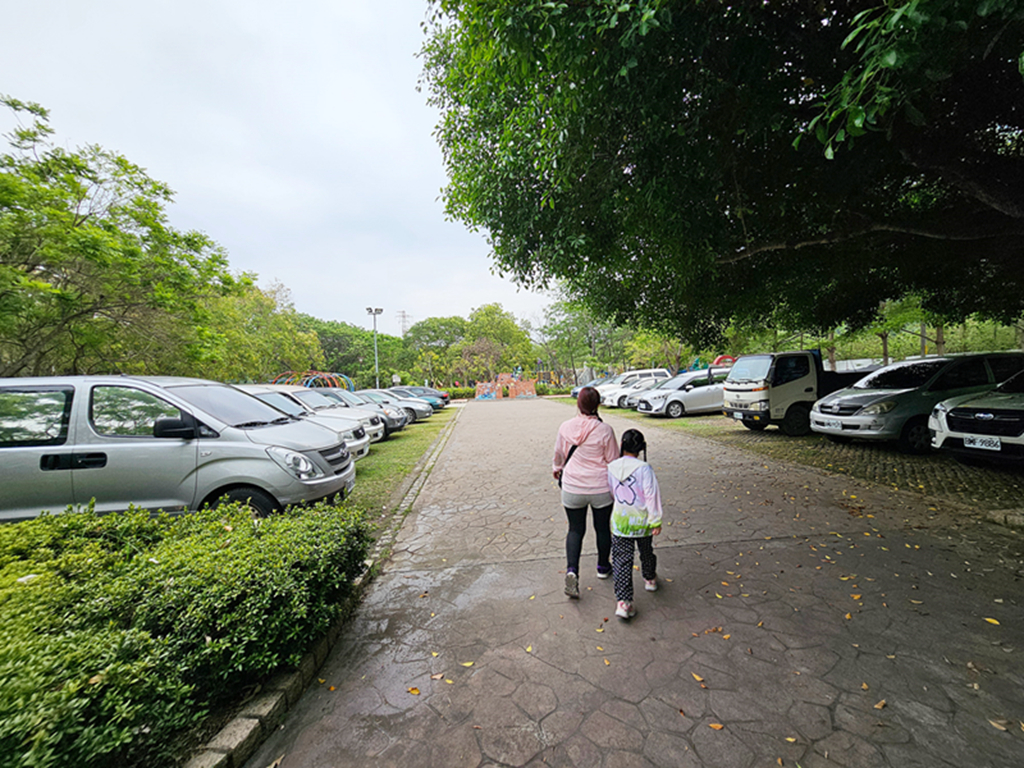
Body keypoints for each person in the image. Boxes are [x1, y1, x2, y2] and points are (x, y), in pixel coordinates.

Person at [552, 386, 619, 598]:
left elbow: (558, 455)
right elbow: (614, 461)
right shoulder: (605, 430)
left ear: (578, 404)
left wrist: (556, 469)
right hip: (600, 488)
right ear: (597, 405)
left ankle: (572, 570)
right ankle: (602, 567)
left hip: (573, 487)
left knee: (575, 530)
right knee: (602, 528)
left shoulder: (565, 427)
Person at [607, 429, 663, 620]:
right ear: (641, 448)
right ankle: (649, 579)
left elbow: (612, 492)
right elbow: (651, 494)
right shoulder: (644, 468)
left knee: (622, 560)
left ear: (622, 445)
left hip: (621, 522)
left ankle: (624, 602)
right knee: (646, 550)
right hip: (642, 521)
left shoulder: (612, 467)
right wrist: (655, 520)